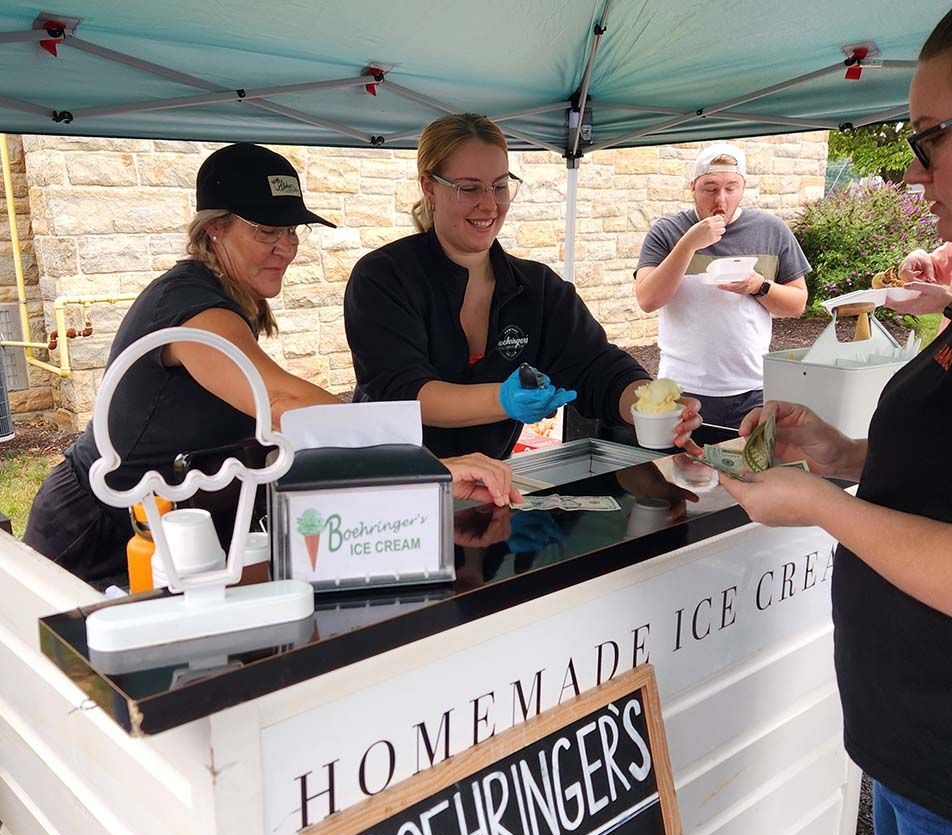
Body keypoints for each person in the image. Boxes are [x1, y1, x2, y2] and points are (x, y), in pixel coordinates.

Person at [708, 13, 952, 835]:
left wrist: (818, 505)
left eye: (931, 137)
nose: (913, 172)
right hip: (914, 738)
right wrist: (842, 454)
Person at [24, 142, 519, 586]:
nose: (286, 248)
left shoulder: (228, 299)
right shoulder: (191, 308)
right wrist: (424, 464)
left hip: (179, 528)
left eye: (291, 231)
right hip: (98, 530)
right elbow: (280, 400)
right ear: (214, 230)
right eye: (266, 231)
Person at [343, 113, 701, 460]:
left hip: (489, 485)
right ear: (429, 187)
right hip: (391, 482)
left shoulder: (537, 288)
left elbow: (596, 368)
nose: (489, 204)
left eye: (500, 186)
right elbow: (402, 393)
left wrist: (654, 403)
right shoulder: (383, 277)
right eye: (469, 188)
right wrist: (502, 399)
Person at [635, 143, 810, 428]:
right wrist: (689, 244)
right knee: (682, 470)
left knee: (749, 471)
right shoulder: (667, 231)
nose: (722, 199)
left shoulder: (771, 230)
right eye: (710, 188)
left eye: (731, 188)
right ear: (693, 187)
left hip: (754, 389)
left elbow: (797, 304)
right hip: (681, 388)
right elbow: (647, 299)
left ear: (743, 187)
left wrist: (759, 286)